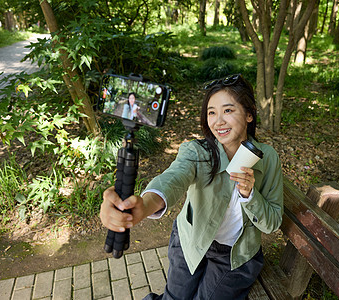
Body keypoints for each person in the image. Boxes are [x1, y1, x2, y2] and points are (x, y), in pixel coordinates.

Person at [100, 74, 284, 300]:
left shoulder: (269, 158)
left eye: (228, 110)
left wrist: (250, 195)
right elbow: (174, 177)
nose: (218, 121)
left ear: (249, 113)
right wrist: (146, 204)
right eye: (211, 112)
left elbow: (272, 223)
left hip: (235, 254)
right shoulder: (198, 152)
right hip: (191, 242)